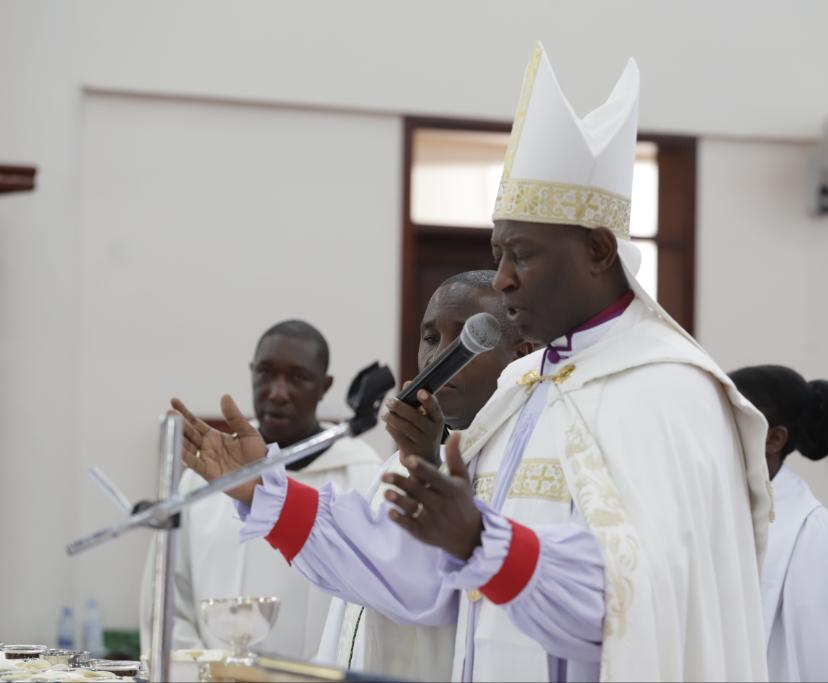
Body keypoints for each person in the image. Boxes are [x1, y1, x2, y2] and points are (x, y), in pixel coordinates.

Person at [175, 43, 772, 681]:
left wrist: (485, 543)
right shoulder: (523, 388)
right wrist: (269, 492)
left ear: (599, 250)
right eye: (500, 254)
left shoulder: (668, 393)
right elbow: (429, 586)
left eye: (523, 255)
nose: (505, 280)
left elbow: (644, 610)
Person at [315, 270, 534, 678]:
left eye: (468, 337)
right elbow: (355, 610)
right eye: (431, 338)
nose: (440, 357)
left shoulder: (522, 464)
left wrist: (429, 464)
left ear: (520, 354)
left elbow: (461, 597)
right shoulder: (393, 463)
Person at [140, 320, 381, 659]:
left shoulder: (362, 475)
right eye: (265, 373)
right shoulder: (206, 477)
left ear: (324, 386)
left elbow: (369, 613)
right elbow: (166, 594)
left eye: (297, 378)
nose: (277, 392)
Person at [729, 364, 828, 682]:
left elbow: (817, 664)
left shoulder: (816, 539)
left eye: (726, 423)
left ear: (773, 439)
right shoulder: (720, 512)